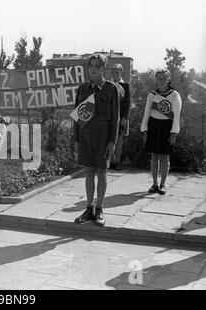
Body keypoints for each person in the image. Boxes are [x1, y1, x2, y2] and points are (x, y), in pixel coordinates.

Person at [72, 54, 120, 226]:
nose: (93, 69)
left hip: (103, 137)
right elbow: (77, 117)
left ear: (104, 69)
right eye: (91, 65)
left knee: (102, 172)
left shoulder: (111, 89)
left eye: (98, 66)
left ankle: (99, 209)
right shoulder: (82, 89)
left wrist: (112, 142)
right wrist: (76, 139)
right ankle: (89, 208)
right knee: (89, 172)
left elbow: (116, 118)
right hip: (85, 136)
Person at [141, 69, 182, 195]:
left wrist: (174, 132)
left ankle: (163, 184)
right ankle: (154, 183)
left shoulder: (174, 95)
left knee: (164, 157)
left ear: (169, 79)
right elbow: (146, 113)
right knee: (154, 157)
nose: (162, 81)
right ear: (156, 80)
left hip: (166, 127)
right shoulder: (152, 95)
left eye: (164, 78)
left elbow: (176, 115)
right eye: (159, 78)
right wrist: (144, 130)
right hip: (154, 126)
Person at [109, 63, 131, 171]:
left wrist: (125, 117)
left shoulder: (125, 85)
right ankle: (109, 161)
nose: (115, 74)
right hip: (108, 117)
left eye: (117, 72)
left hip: (120, 117)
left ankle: (117, 161)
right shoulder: (108, 84)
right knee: (108, 139)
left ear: (121, 72)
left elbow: (128, 102)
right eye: (113, 72)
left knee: (118, 140)